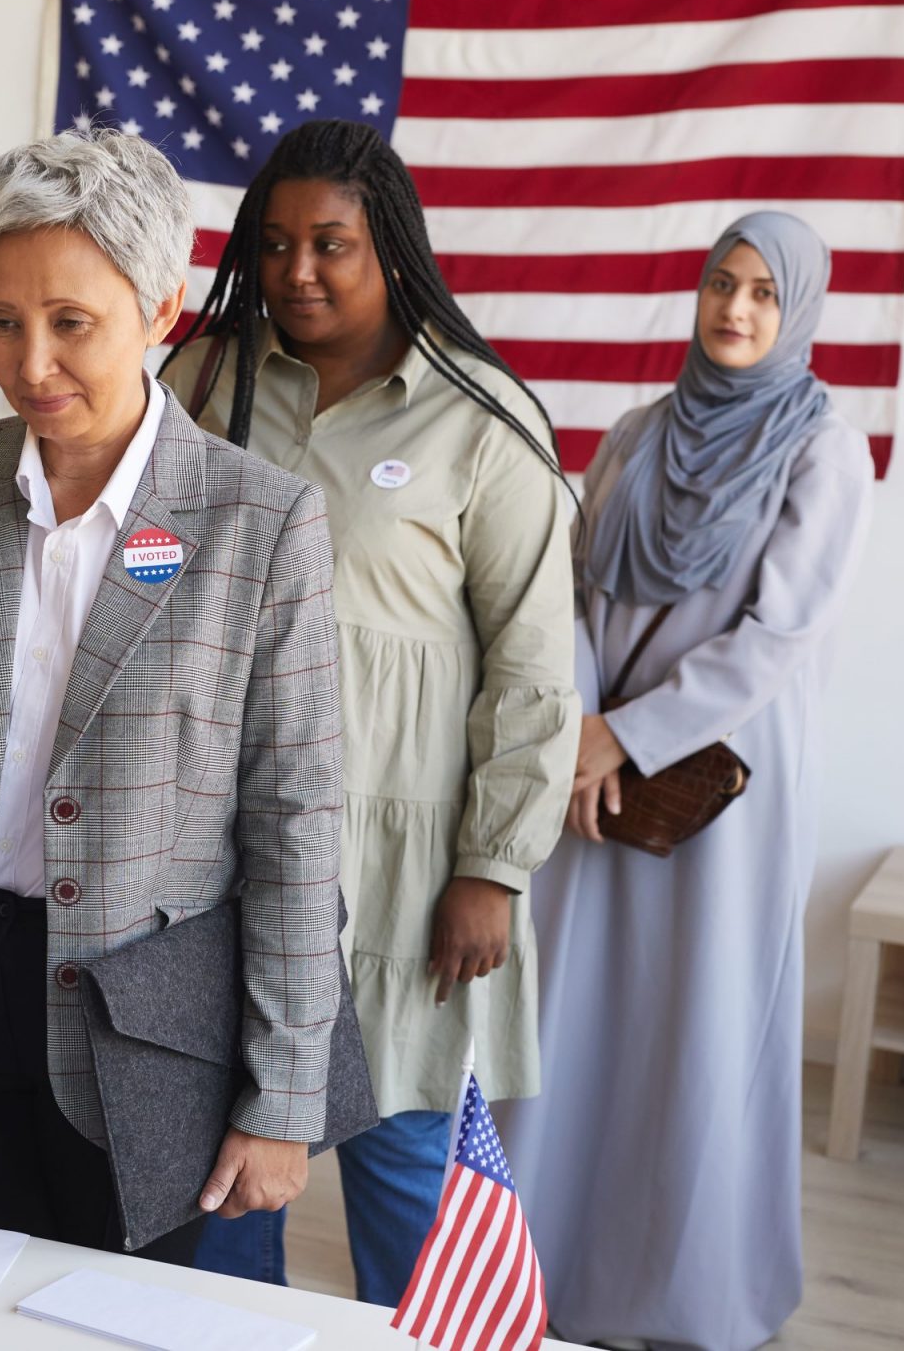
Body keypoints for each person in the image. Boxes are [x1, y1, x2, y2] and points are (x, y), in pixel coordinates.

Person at [0, 128, 346, 1264]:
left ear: (160, 311)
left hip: (146, 1019)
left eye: (69, 323)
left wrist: (284, 1094)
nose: (29, 361)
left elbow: (295, 825)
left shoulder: (262, 521)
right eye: (2, 320)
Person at [157, 119, 578, 1300]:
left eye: (329, 244)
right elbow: (140, 570)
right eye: (275, 243)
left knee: (407, 1172)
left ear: (388, 246)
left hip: (406, 851)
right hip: (222, 837)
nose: (297, 271)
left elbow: (535, 669)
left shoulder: (480, 418)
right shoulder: (205, 382)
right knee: (227, 1165)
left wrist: (491, 867)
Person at [498, 212, 873, 1351]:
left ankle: (688, 1293)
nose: (737, 309)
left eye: (764, 291)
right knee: (572, 1020)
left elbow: (779, 634)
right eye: (723, 282)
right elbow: (564, 591)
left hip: (722, 790)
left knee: (698, 1023)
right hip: (591, 779)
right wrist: (578, 729)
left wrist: (630, 735)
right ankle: (539, 1276)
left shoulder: (822, 448)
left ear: (795, 309)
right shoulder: (632, 432)